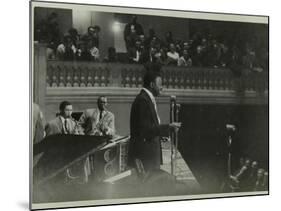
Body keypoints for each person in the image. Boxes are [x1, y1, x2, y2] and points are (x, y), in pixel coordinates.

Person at [128, 64, 181, 179]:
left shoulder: (146, 99)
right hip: (146, 156)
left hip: (149, 154)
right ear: (152, 85)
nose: (162, 88)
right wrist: (168, 127)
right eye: (160, 84)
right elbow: (145, 130)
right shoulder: (143, 100)